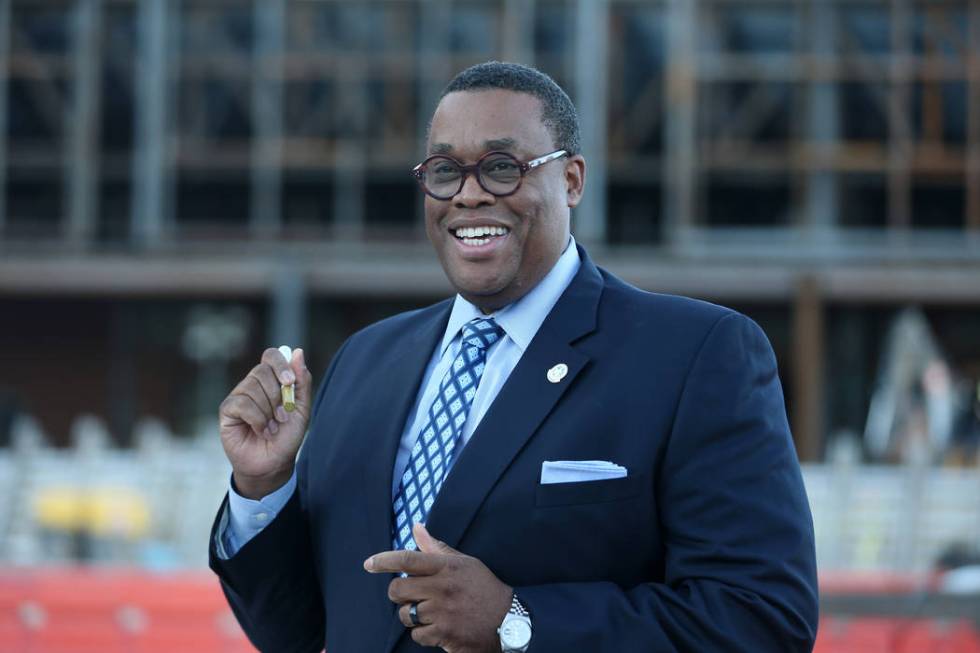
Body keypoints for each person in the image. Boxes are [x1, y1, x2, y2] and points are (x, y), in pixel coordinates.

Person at [209, 61, 818, 653]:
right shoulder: (366, 360)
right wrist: (262, 487)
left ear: (573, 180)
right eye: (445, 170)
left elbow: (761, 621)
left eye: (502, 167)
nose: (469, 195)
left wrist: (517, 622)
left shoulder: (695, 355)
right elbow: (298, 633)